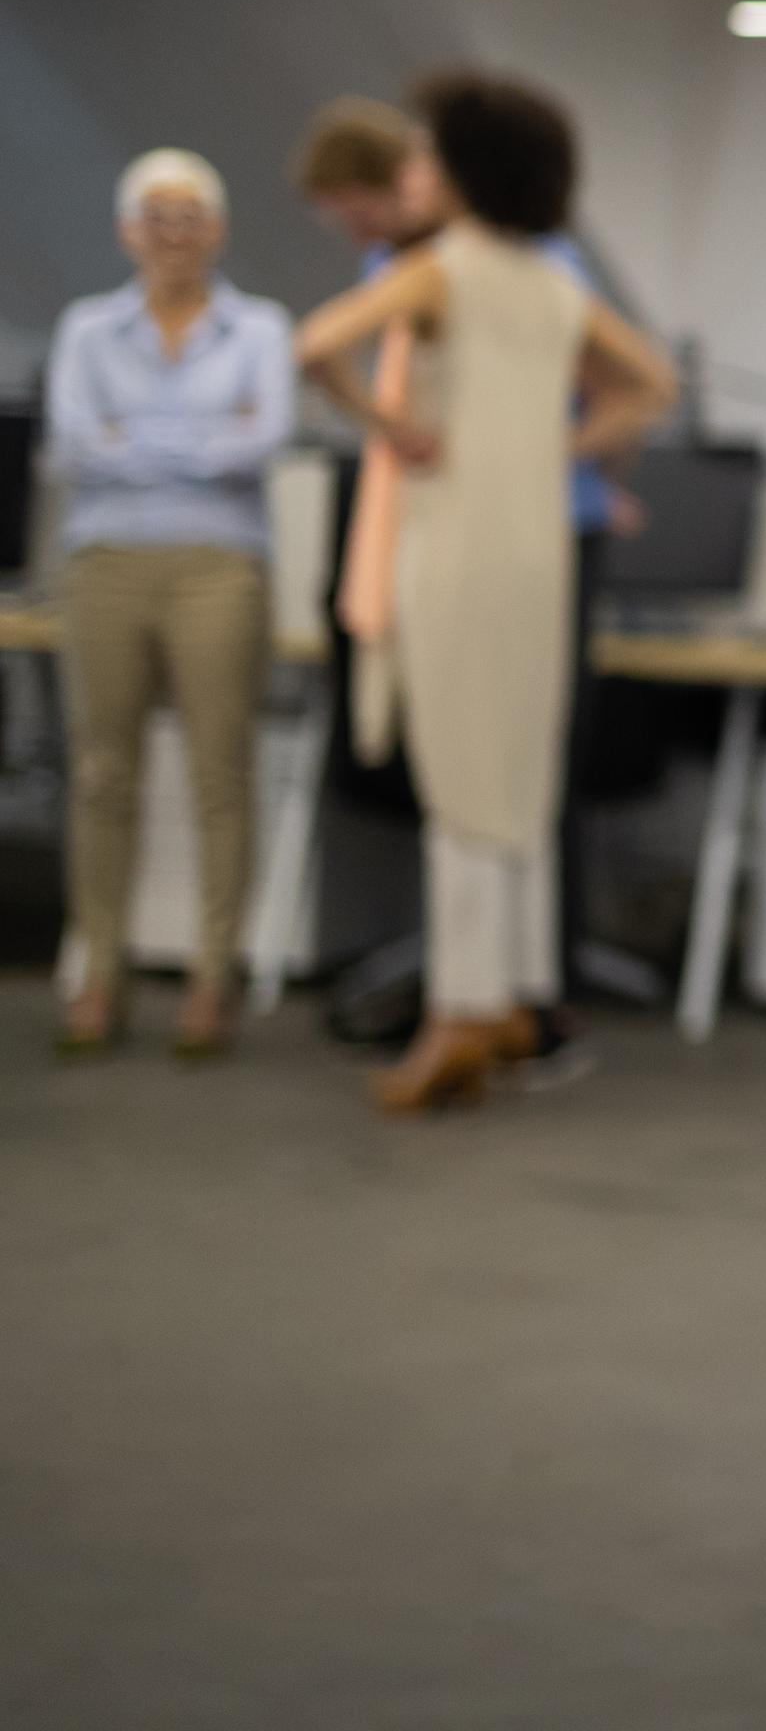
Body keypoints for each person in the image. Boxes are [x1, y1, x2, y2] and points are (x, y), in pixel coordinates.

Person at [295, 76, 674, 1112]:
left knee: (462, 775)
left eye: (423, 156)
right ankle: (517, 992)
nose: (410, 172)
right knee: (520, 766)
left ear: (466, 171)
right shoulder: (556, 284)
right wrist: (559, 447)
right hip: (538, 542)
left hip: (458, 538)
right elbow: (650, 385)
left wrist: (387, 425)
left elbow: (314, 343)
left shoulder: (443, 271)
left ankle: (462, 1011)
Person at [42, 151, 295, 1057]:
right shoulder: (87, 329)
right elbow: (76, 446)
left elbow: (260, 441)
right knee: (104, 774)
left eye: (190, 215)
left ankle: (211, 979)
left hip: (219, 566)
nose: (172, 231)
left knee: (219, 772)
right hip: (106, 562)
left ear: (218, 230)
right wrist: (199, 438)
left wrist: (136, 436)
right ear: (127, 229)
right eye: (156, 214)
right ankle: (99, 976)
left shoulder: (259, 328)